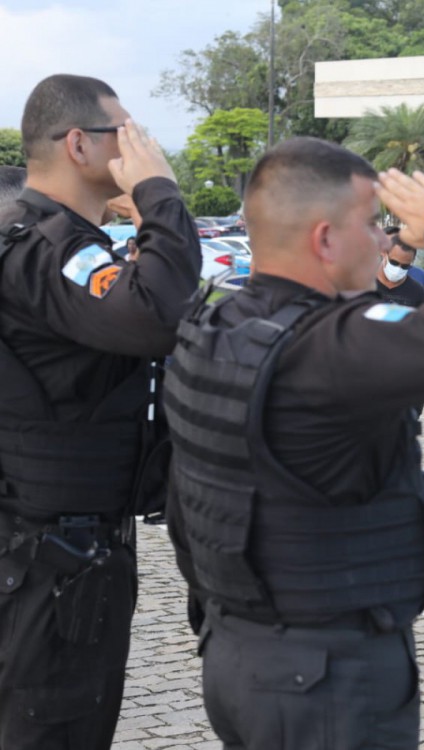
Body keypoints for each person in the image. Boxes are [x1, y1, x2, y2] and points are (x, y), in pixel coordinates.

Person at [163, 139, 424, 749]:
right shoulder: (331, 347)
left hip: (238, 652)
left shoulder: (214, 327)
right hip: (326, 677)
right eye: (372, 226)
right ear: (325, 240)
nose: (386, 243)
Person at [0, 74, 201, 749]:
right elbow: (155, 319)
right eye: (127, 136)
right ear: (80, 144)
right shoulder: (55, 246)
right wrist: (160, 196)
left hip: (43, 545)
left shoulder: (36, 235)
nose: (139, 149)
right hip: (53, 557)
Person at [376, 235, 424, 308]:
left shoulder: (418, 292)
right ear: (384, 253)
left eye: (405, 266)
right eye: (394, 263)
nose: (398, 269)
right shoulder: (364, 285)